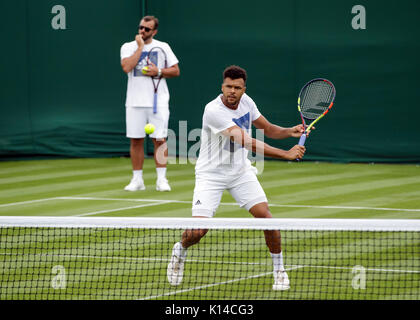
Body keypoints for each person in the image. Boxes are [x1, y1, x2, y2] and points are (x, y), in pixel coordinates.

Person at [167, 65, 307, 291]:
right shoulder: (213, 111)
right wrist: (285, 154)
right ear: (222, 86)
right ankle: (180, 250)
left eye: (237, 87)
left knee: (267, 219)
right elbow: (248, 142)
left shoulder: (247, 102)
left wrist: (289, 131)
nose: (232, 91)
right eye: (229, 87)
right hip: (211, 175)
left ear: (244, 89)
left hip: (240, 171)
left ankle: (279, 271)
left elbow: (268, 129)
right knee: (198, 231)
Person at [120, 15, 180, 192]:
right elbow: (126, 67)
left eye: (147, 29)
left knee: (159, 140)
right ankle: (137, 180)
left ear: (154, 31)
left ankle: (162, 180)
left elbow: (176, 70)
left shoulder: (163, 47)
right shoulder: (128, 47)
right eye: (141, 27)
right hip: (134, 102)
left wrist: (158, 71)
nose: (142, 31)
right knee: (135, 140)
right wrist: (140, 48)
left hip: (158, 102)